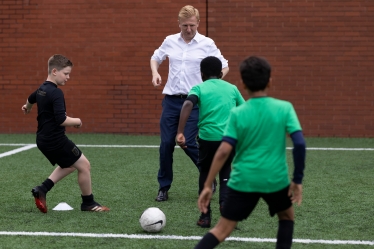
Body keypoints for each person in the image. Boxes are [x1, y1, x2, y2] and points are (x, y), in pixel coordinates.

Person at [194, 56, 306, 249]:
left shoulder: (238, 113)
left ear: (243, 84)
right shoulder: (284, 108)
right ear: (270, 81)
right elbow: (300, 144)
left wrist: (207, 185)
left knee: (221, 230)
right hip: (275, 179)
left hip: (243, 180)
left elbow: (223, 151)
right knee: (287, 217)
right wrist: (297, 180)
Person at [150, 5, 229, 202]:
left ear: (198, 23)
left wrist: (211, 85)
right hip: (171, 101)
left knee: (188, 142)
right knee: (166, 144)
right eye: (185, 25)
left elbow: (224, 66)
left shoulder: (207, 43)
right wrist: (155, 72)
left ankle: (209, 178)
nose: (188, 29)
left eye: (192, 25)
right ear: (179, 24)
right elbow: (155, 57)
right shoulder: (170, 41)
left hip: (194, 103)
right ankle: (164, 187)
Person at [21, 54, 109, 213]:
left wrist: (27, 107)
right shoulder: (56, 92)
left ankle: (42, 189)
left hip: (43, 139)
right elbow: (61, 119)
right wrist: (78, 121)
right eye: (66, 73)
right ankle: (88, 203)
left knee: (69, 165)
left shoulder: (42, 89)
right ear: (54, 71)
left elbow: (31, 97)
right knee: (84, 165)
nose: (68, 77)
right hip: (55, 140)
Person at [175, 56, 244, 228]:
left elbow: (187, 105)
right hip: (229, 140)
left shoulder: (199, 87)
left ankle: (205, 216)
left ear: (202, 74)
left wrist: (180, 132)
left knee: (206, 174)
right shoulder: (232, 88)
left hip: (207, 139)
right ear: (221, 73)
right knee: (226, 173)